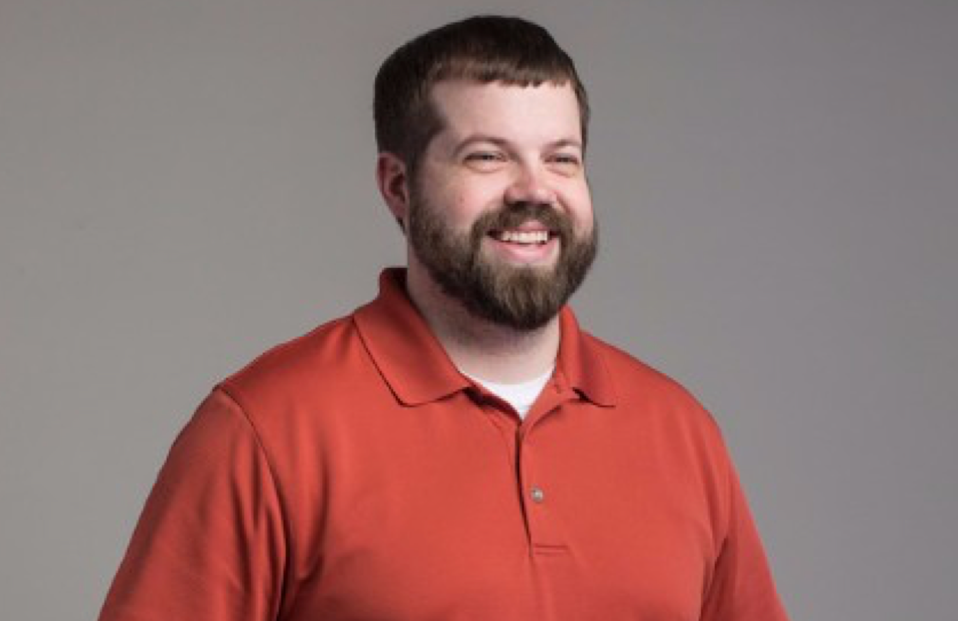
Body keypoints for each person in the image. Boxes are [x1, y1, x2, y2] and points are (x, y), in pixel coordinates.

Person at [99, 15, 789, 621]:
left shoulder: (681, 432)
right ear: (399, 187)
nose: (534, 190)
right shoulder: (265, 428)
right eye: (486, 156)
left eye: (562, 158)